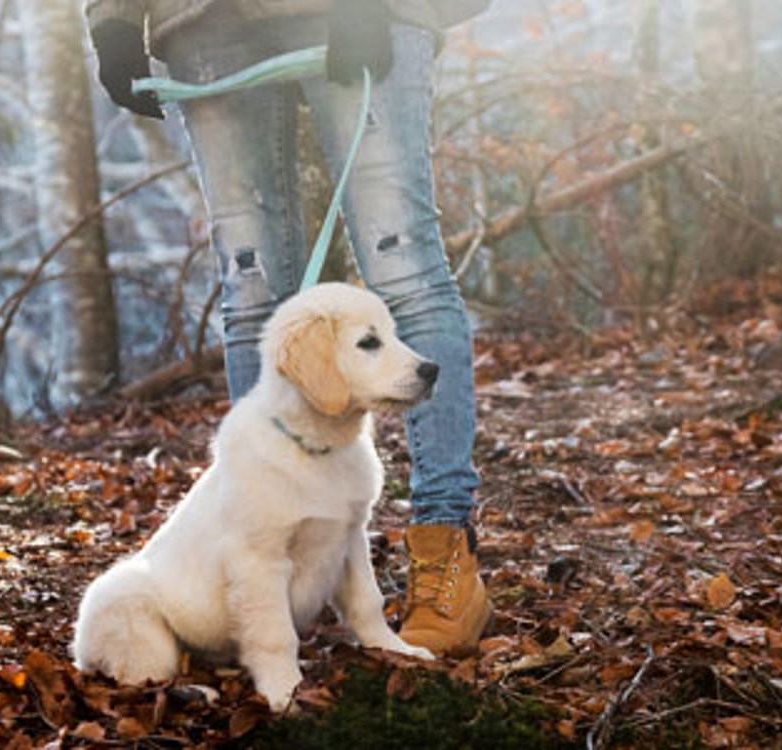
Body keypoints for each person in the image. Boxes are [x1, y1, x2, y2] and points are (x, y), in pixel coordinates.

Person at [83, 0, 491, 654]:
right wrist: (112, 19)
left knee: (405, 270)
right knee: (253, 299)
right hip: (204, 20)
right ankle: (280, 563)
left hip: (365, 13)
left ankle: (445, 553)